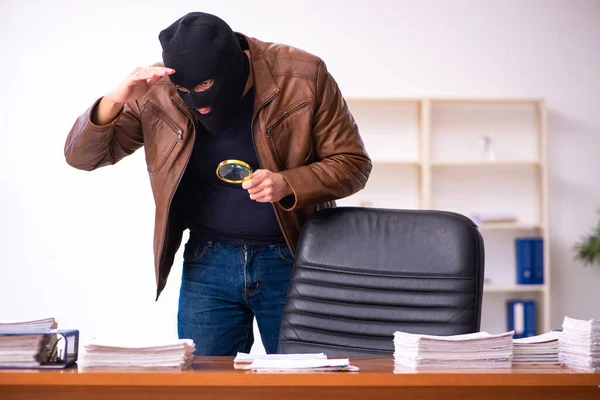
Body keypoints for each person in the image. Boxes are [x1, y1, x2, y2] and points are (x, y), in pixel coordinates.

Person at [64, 11, 371, 356]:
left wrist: (288, 183)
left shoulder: (302, 75)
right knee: (204, 386)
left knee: (301, 383)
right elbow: (82, 157)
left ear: (232, 67)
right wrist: (113, 101)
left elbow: (353, 164)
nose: (196, 100)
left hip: (292, 258)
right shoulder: (158, 90)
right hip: (208, 263)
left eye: (205, 86)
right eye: (184, 90)